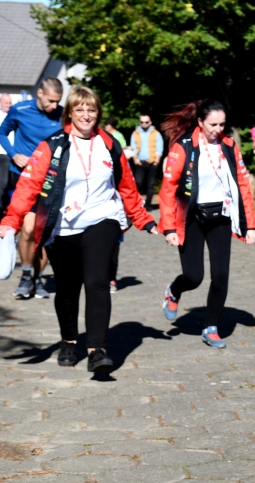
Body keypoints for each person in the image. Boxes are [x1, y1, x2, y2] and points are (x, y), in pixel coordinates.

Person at [0, 86, 158, 373]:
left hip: (103, 218)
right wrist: (11, 221)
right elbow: (28, 186)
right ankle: (69, 341)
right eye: (80, 109)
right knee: (67, 289)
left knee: (97, 280)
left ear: (98, 113)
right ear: (70, 113)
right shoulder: (52, 145)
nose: (86, 115)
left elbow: (126, 185)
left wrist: (142, 218)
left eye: (91, 109)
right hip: (62, 226)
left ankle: (97, 350)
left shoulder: (109, 144)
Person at [158, 98, 255, 349]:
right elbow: (168, 189)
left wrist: (251, 224)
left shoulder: (229, 146)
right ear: (200, 122)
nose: (218, 129)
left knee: (221, 276)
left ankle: (211, 327)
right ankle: (174, 290)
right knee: (194, 277)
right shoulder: (183, 147)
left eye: (222, 124)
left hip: (221, 216)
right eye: (213, 124)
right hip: (192, 217)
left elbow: (243, 185)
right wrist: (169, 228)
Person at [1, 77, 64, 300]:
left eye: (57, 101)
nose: (54, 106)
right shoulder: (20, 110)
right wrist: (14, 154)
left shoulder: (63, 115)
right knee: (27, 229)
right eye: (50, 101)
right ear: (40, 93)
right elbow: (2, 132)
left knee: (43, 233)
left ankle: (37, 278)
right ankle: (26, 276)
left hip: (50, 182)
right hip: (23, 179)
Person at [103, 118, 129, 293]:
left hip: (115, 208)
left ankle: (111, 278)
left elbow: (128, 188)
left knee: (113, 248)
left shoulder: (116, 141)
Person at [130, 114, 164, 210]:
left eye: (146, 122)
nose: (144, 124)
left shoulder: (156, 133)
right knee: (137, 184)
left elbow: (159, 147)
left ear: (150, 122)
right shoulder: (135, 133)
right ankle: (137, 204)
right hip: (140, 163)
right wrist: (136, 160)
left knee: (150, 185)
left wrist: (157, 161)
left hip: (152, 163)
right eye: (142, 122)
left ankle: (148, 204)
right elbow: (133, 148)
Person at [0, 93, 11, 211]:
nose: (9, 105)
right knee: (3, 182)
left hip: (9, 154)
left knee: (6, 182)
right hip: (2, 154)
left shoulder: (12, 116)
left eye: (10, 103)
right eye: (6, 103)